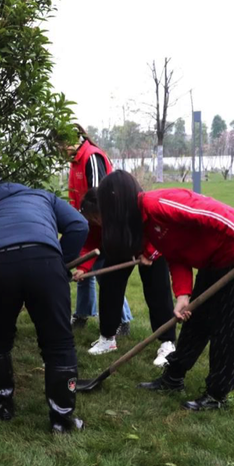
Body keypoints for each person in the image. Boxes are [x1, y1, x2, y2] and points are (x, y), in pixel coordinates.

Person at [97, 170, 234, 410]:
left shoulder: (157, 204)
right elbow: (177, 256)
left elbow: (216, 212)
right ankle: (173, 378)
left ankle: (217, 394)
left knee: (227, 329)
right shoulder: (146, 225)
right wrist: (182, 295)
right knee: (195, 323)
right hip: (212, 264)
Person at [0, 182, 88, 433]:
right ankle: (61, 419)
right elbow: (79, 225)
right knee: (58, 342)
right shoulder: (42, 196)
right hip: (44, 260)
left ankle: (2, 405)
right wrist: (63, 264)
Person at [73, 189, 177, 364]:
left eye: (98, 217)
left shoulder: (133, 209)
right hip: (118, 248)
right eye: (93, 219)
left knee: (158, 293)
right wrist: (83, 267)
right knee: (109, 288)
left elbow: (158, 229)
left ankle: (167, 342)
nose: (97, 222)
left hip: (151, 247)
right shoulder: (96, 220)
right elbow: (91, 241)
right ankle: (107, 338)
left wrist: (149, 254)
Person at [68, 125, 134, 333]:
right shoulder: (75, 161)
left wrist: (92, 220)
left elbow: (98, 195)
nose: (59, 149)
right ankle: (83, 313)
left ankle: (122, 319)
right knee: (83, 268)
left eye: (61, 144)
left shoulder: (92, 157)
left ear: (75, 140)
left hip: (101, 223)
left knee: (103, 272)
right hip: (86, 222)